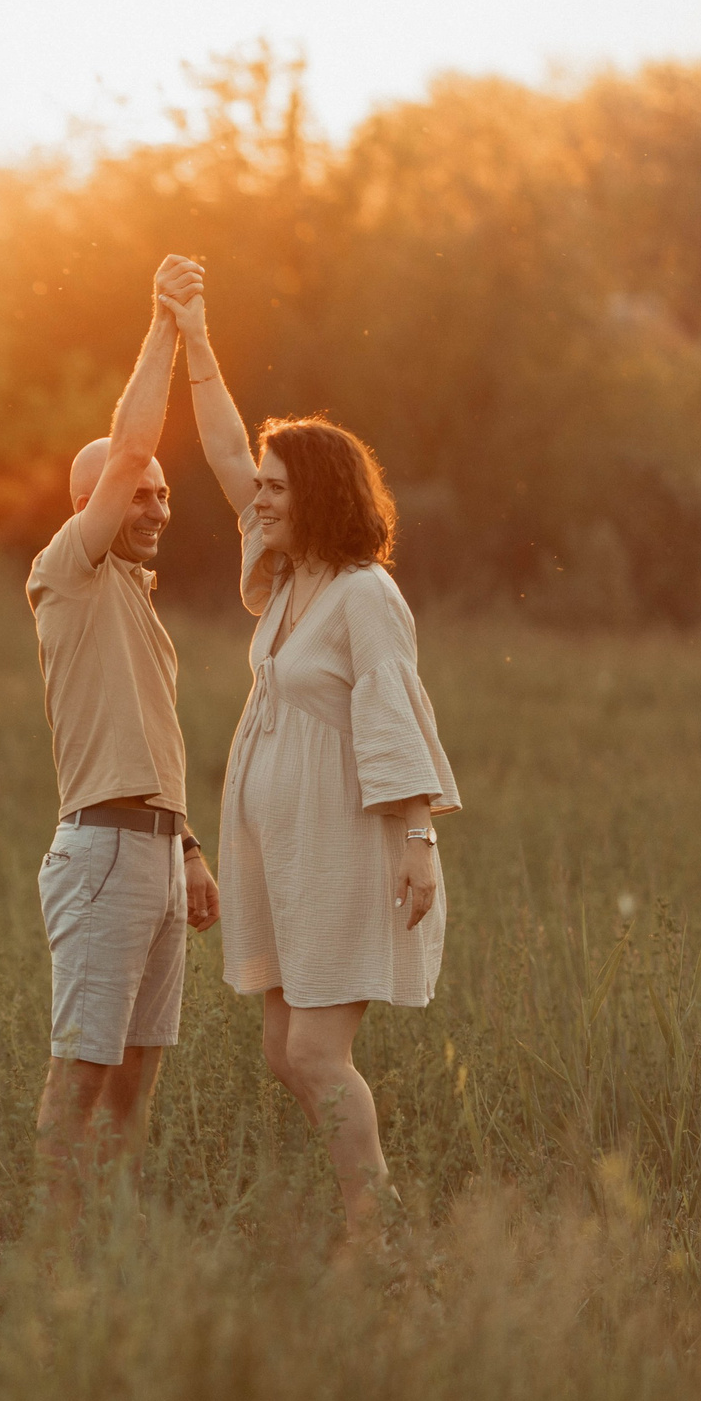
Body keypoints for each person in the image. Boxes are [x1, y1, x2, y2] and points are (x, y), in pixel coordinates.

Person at [169, 274, 461, 1241]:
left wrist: (417, 838)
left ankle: (377, 1236)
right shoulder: (293, 577)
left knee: (316, 1051)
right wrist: (195, 339)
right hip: (284, 844)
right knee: (283, 1053)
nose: (260, 496)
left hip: (346, 841)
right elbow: (221, 449)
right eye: (263, 486)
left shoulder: (363, 594)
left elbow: (393, 712)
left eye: (279, 486)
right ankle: (368, 1211)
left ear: (321, 495)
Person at [30, 253, 223, 1214]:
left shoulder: (142, 608)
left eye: (161, 496)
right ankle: (51, 1256)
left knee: (139, 1076)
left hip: (151, 854)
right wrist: (166, 322)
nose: (153, 506)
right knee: (84, 1070)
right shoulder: (67, 571)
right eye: (132, 493)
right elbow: (134, 432)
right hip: (100, 850)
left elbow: (153, 737)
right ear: (91, 506)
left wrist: (188, 846)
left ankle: (108, 1249)